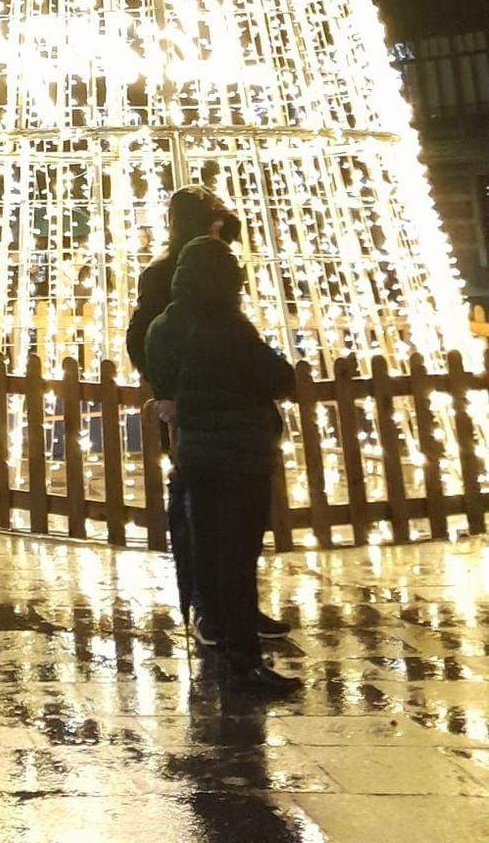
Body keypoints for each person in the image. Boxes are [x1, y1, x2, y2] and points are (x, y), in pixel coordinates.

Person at [144, 232, 301, 699]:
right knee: (238, 558)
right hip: (241, 454)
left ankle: (214, 632)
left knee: (208, 552)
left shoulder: (162, 328)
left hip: (194, 453)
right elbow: (279, 379)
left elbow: (165, 385)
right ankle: (243, 663)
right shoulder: (230, 327)